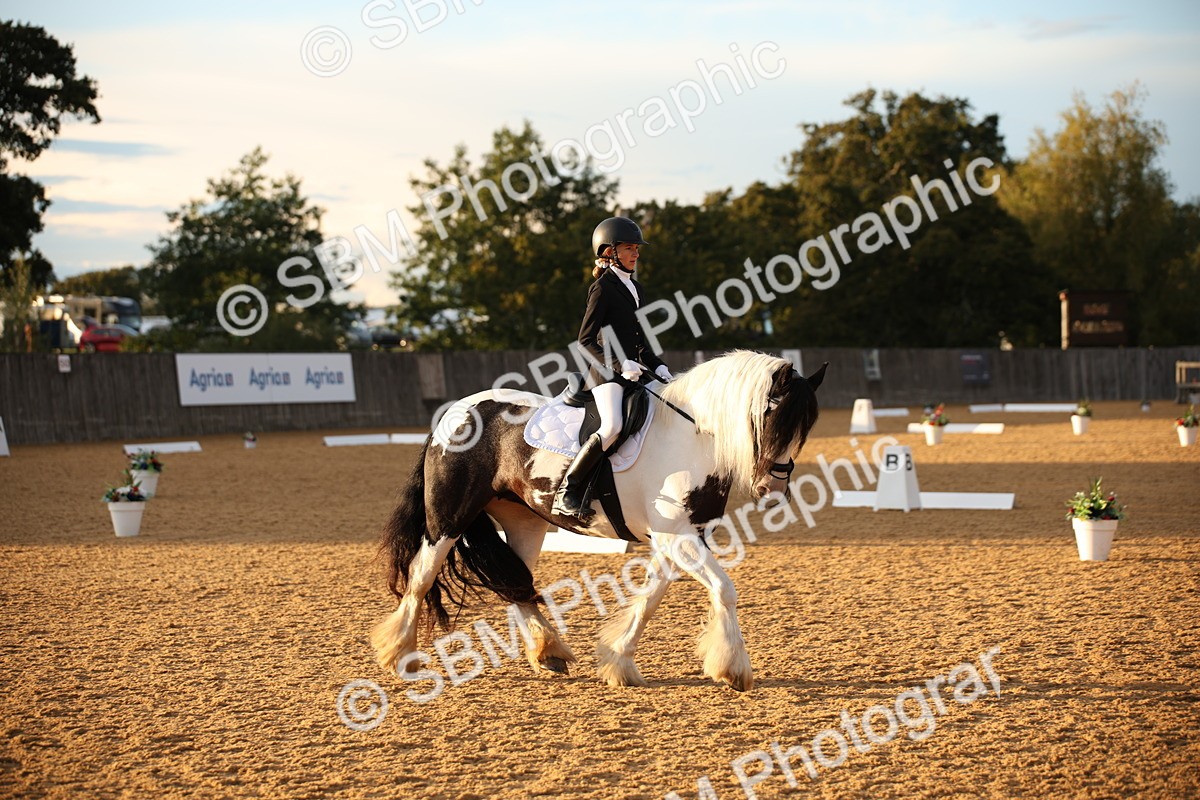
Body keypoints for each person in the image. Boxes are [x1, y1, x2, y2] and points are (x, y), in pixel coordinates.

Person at [552, 216, 673, 518]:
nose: (636, 254)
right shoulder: (601, 288)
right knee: (612, 427)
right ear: (611, 252)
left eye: (636, 248)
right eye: (630, 248)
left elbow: (640, 340)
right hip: (604, 374)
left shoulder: (636, 289)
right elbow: (585, 340)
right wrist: (620, 365)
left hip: (633, 371)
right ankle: (570, 489)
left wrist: (658, 366)